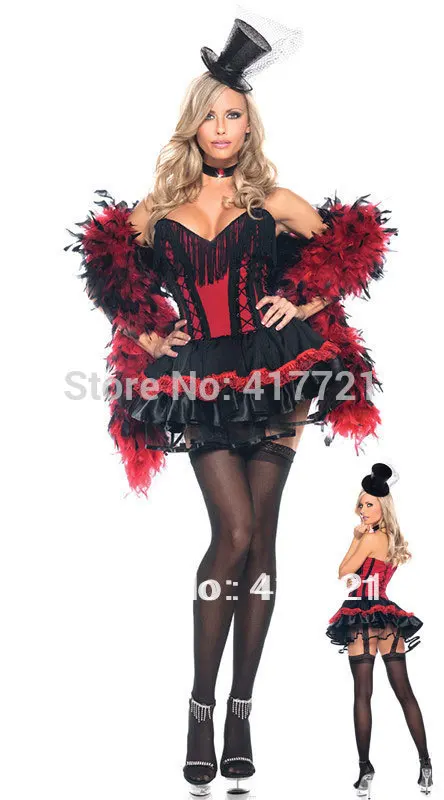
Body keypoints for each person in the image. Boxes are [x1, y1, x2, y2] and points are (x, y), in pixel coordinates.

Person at [65, 12, 398, 797]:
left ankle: (241, 710)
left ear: (249, 127)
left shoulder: (272, 199)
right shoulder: (157, 210)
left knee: (263, 540)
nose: (222, 127)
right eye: (210, 115)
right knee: (235, 533)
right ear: (193, 125)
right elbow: (107, 268)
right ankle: (200, 707)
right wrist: (148, 333)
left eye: (234, 115)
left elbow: (354, 243)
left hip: (278, 372)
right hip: (203, 379)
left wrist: (306, 302)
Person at [326, 464, 433, 797]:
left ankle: (365, 769)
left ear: (383, 507)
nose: (362, 509)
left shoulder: (371, 538)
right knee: (405, 693)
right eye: (361, 504)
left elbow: (344, 572)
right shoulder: (392, 540)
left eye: (369, 504)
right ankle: (426, 764)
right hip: (387, 617)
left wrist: (355, 538)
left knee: (362, 695)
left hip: (360, 615)